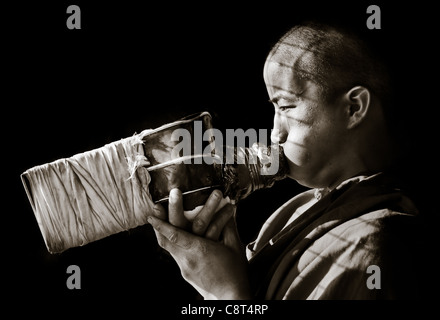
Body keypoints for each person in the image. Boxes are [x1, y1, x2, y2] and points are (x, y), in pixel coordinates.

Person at [146, 22, 420, 299]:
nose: (276, 133)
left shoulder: (375, 246)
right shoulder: (295, 210)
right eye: (274, 109)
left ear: (353, 108)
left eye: (287, 107)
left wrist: (225, 293)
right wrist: (212, 260)